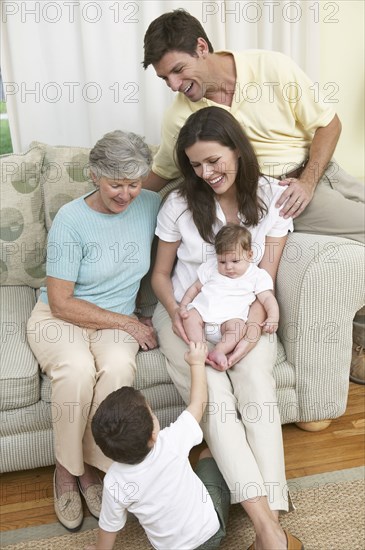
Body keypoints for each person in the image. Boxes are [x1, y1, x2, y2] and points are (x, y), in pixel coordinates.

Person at [142, 8, 365, 385]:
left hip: (315, 173)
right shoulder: (180, 117)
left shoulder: (272, 67)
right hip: (276, 197)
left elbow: (328, 123)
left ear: (201, 47)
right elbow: (163, 171)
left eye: (178, 70)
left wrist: (309, 180)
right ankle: (358, 338)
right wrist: (116, 200)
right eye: (165, 78)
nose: (174, 84)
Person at [151, 106, 303, 550]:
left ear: (237, 149)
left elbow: (266, 279)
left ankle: (267, 524)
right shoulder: (180, 203)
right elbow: (161, 275)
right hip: (188, 312)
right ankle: (270, 532)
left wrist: (252, 333)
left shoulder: (274, 198)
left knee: (256, 384)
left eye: (214, 160)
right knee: (215, 398)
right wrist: (179, 313)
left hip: (244, 314)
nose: (206, 172)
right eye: (196, 164)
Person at [27, 130, 160, 531]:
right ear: (94, 176)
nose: (125, 194)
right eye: (115, 184)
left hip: (115, 319)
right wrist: (129, 322)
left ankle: (92, 466)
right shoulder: (71, 219)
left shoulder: (150, 205)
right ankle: (68, 472)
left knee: (119, 370)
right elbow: (62, 301)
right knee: (76, 371)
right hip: (60, 317)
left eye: (134, 184)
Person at [86, 342, 230, 550]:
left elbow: (109, 526)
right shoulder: (171, 440)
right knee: (209, 453)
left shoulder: (114, 481)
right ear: (153, 435)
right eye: (152, 413)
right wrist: (197, 363)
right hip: (211, 534)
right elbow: (198, 403)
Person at [180, 224, 279, 370]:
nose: (228, 267)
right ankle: (199, 347)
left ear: (249, 255)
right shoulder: (211, 268)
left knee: (238, 328)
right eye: (222, 262)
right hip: (203, 311)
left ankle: (219, 351)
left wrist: (273, 318)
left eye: (235, 261)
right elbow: (195, 288)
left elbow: (268, 299)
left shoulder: (257, 276)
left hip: (230, 319)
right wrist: (183, 305)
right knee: (189, 317)